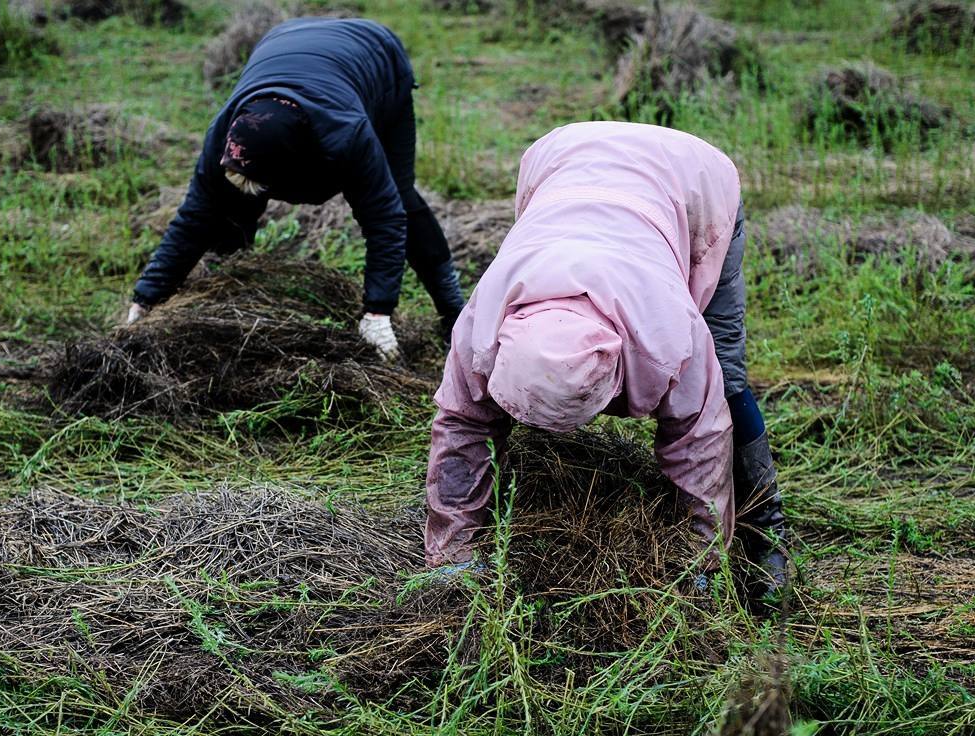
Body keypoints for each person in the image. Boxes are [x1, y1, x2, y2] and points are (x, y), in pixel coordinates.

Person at [424, 121, 789, 597]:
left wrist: (698, 562)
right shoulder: (482, 327)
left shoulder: (670, 339)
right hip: (563, 162)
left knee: (727, 376)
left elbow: (701, 440)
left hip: (691, 184)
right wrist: (452, 556)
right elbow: (460, 426)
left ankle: (766, 531)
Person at [125, 18, 465, 359]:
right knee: (231, 202)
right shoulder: (223, 137)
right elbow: (194, 218)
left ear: (294, 164)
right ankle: (230, 288)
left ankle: (454, 314)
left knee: (400, 196)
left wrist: (377, 312)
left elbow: (385, 219)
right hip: (286, 41)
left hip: (376, 56)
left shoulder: (346, 134)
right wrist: (146, 298)